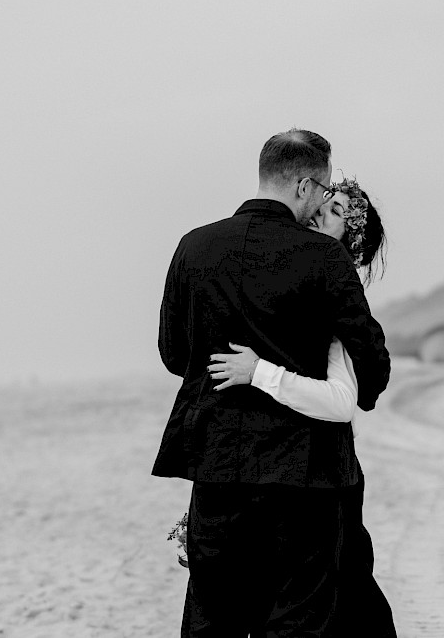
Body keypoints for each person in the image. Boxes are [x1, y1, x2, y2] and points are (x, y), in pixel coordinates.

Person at [153, 129, 390, 636]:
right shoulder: (324, 257)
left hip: (218, 471)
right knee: (297, 623)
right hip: (304, 478)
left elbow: (175, 355)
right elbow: (371, 365)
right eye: (323, 193)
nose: (322, 203)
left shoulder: (193, 247)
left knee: (213, 619)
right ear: (305, 186)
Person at [207, 180, 397, 636]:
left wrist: (259, 372)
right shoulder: (300, 277)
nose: (317, 213)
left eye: (332, 212)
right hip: (282, 475)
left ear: (347, 244)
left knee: (345, 602)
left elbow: (341, 401)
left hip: (325, 477)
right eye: (323, 202)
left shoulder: (334, 293)